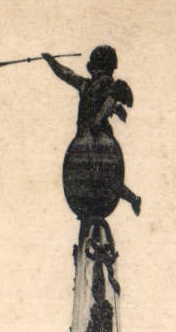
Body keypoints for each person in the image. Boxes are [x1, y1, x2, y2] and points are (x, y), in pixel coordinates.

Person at [42, 47, 142, 214]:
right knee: (100, 177)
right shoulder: (86, 85)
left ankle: (133, 199)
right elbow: (66, 74)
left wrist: (99, 119)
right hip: (85, 138)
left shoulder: (106, 86)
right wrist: (51, 61)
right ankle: (133, 198)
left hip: (97, 139)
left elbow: (109, 101)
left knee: (104, 176)